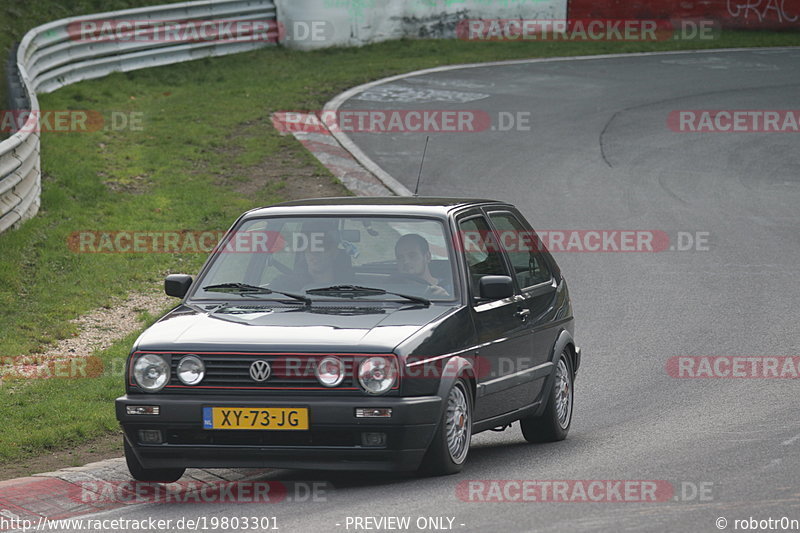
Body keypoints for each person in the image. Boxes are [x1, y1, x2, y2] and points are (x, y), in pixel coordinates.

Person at [393, 233, 451, 298]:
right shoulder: (391, 290)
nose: (406, 261)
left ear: (427, 257)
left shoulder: (450, 288)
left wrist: (445, 298)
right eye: (400, 257)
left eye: (412, 255)